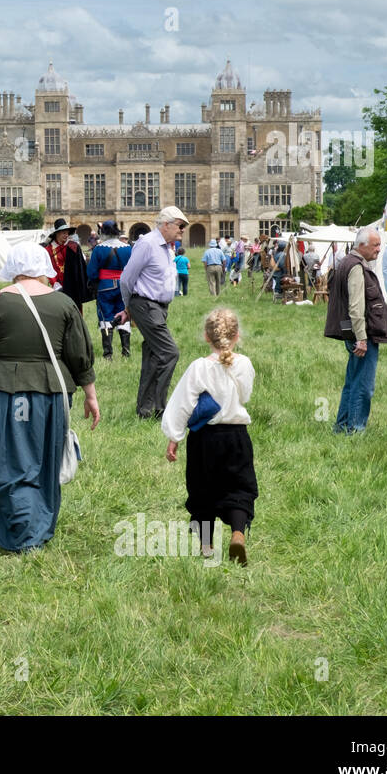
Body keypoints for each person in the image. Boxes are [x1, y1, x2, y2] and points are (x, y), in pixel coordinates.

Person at [0, 243, 100, 553]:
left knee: (5, 461)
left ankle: (23, 531)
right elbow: (80, 355)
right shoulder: (64, 304)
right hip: (52, 394)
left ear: (15, 269)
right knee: (43, 461)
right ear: (44, 269)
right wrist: (91, 396)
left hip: (3, 392)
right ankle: (36, 529)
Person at [162, 308, 258, 565]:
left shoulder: (198, 367)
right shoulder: (245, 364)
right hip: (237, 436)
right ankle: (237, 533)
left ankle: (206, 546)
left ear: (206, 336)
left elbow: (182, 403)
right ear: (237, 335)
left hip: (205, 439)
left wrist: (174, 437)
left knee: (202, 490)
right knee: (240, 486)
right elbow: (245, 395)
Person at [118, 207, 188, 419]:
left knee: (153, 356)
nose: (182, 230)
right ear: (166, 224)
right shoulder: (148, 244)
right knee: (169, 353)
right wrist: (129, 307)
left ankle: (145, 410)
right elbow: (127, 278)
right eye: (180, 225)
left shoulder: (168, 247)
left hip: (158, 307)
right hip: (146, 305)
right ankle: (160, 408)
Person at [324, 228, 387, 435]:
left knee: (352, 381)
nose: (379, 249)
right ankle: (355, 429)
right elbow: (355, 306)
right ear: (361, 245)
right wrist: (361, 338)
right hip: (361, 333)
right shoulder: (356, 266)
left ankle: (342, 426)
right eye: (375, 245)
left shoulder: (346, 261)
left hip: (348, 329)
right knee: (363, 385)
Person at [86, 220, 132, 360]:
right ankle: (126, 352)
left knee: (105, 316)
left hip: (105, 286)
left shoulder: (99, 249)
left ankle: (108, 354)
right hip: (124, 286)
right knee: (123, 315)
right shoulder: (128, 248)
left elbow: (92, 273)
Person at [44, 218, 73, 290]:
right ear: (57, 233)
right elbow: (47, 268)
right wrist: (55, 284)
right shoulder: (48, 250)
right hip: (57, 286)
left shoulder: (71, 247)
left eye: (67, 233)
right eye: (64, 233)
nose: (66, 235)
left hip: (71, 284)